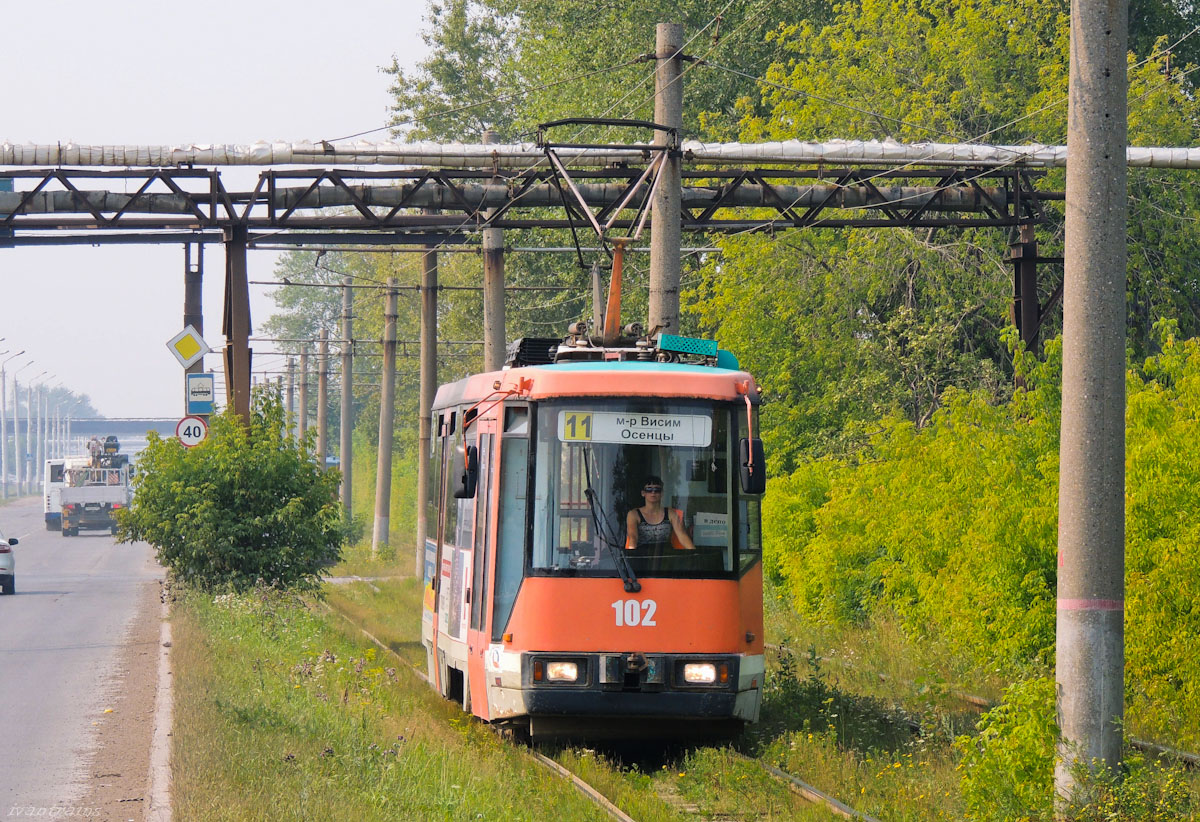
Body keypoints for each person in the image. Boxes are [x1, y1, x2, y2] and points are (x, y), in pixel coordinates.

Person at [625, 475, 695, 552]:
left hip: (666, 556)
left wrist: (694, 554)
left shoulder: (671, 513)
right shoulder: (634, 514)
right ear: (643, 493)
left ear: (662, 493)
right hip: (642, 556)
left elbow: (682, 535)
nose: (653, 492)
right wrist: (630, 554)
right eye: (649, 489)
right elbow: (633, 537)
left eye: (657, 490)